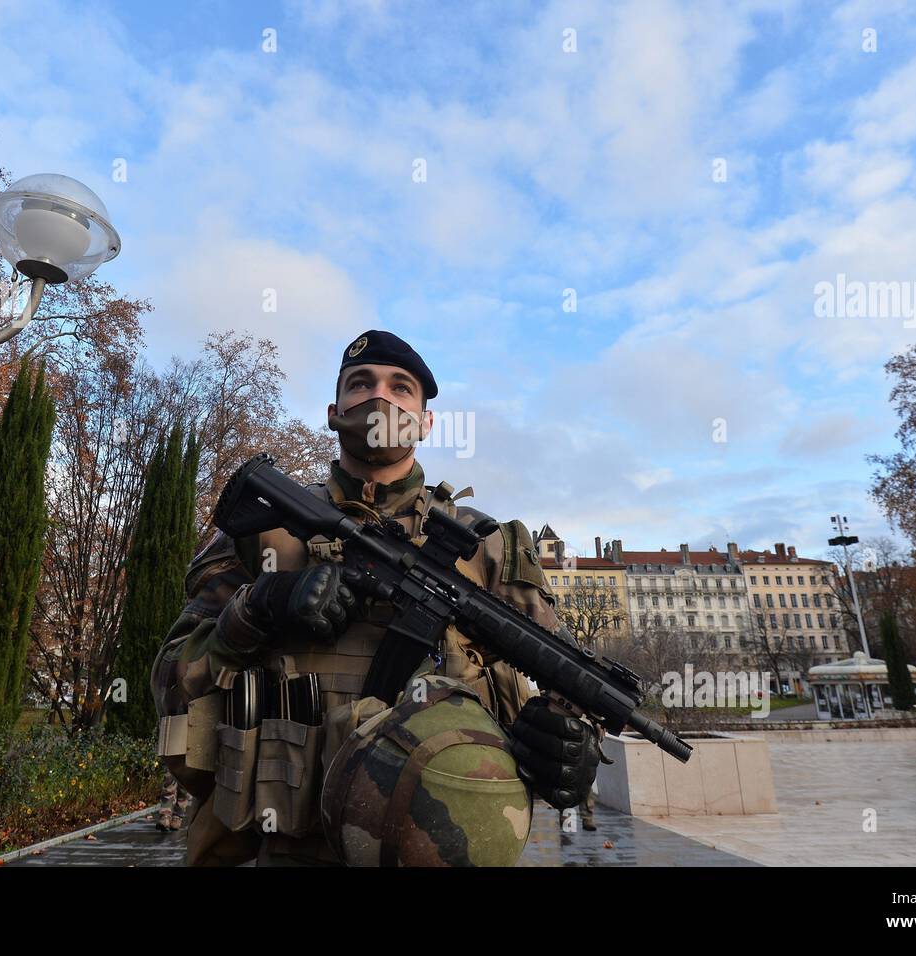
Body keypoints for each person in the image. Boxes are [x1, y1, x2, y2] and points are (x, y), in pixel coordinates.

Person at [152, 330, 601, 866]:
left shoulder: (488, 547)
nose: (380, 397)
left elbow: (569, 680)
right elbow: (170, 682)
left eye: (401, 387)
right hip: (281, 846)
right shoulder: (265, 532)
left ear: (427, 421)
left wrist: (571, 746)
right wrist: (261, 605)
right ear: (333, 410)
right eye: (360, 384)